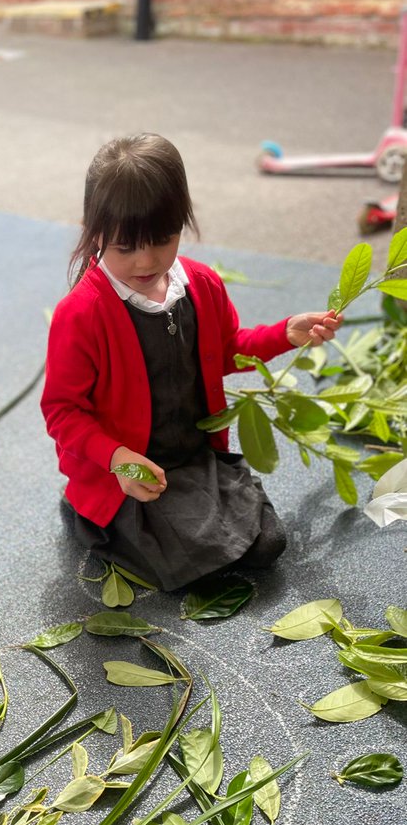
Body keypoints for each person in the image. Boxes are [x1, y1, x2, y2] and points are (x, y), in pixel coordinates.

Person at [40, 134, 342, 591]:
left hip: (194, 456)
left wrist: (284, 333)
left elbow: (227, 350)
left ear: (183, 222)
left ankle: (182, 518)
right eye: (125, 248)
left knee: (268, 545)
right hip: (128, 473)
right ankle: (87, 512)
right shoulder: (80, 314)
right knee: (192, 568)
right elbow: (62, 411)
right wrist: (118, 459)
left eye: (162, 241)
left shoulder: (202, 283)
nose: (146, 261)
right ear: (95, 231)